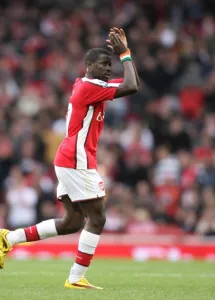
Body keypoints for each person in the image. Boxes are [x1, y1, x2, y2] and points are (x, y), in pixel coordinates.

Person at [0, 28, 140, 290]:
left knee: (72, 223)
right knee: (97, 219)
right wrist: (125, 54)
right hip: (77, 161)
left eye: (110, 65)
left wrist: (121, 60)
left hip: (69, 159)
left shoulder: (87, 84)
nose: (109, 69)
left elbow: (130, 85)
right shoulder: (88, 87)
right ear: (89, 65)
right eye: (103, 64)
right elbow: (132, 85)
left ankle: (9, 238)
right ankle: (76, 278)